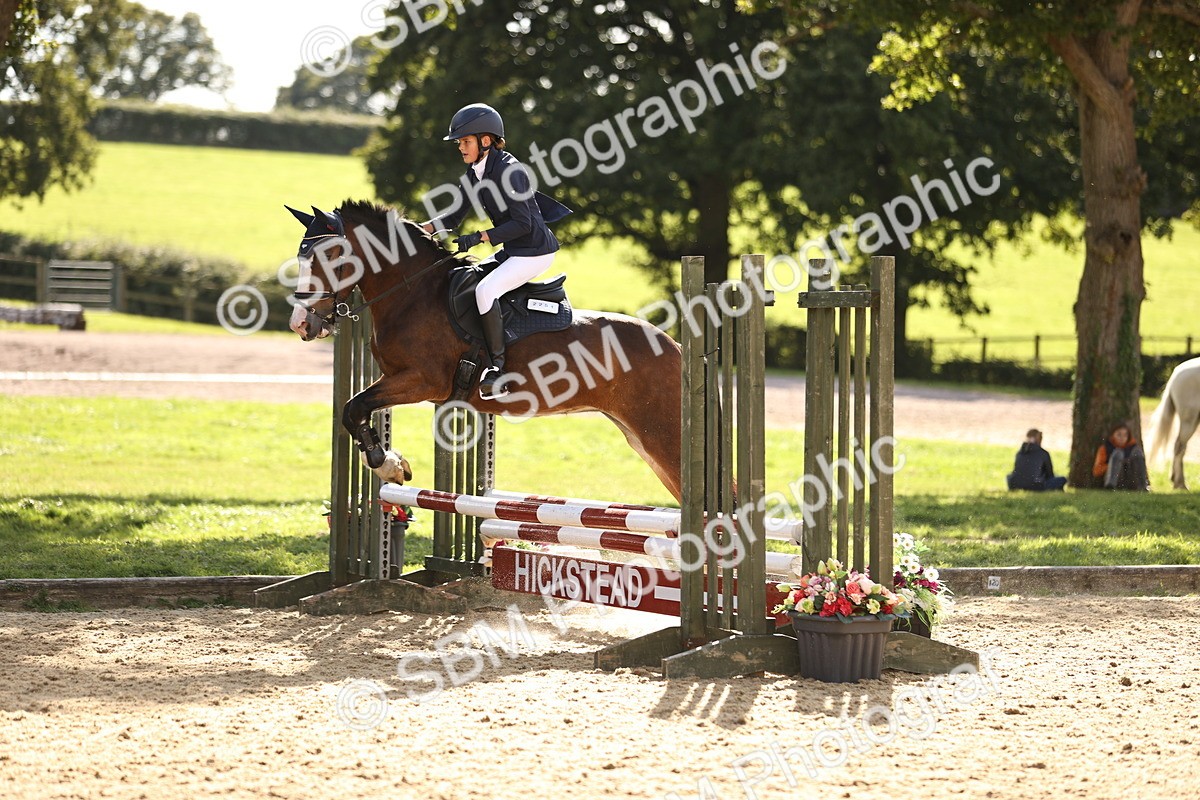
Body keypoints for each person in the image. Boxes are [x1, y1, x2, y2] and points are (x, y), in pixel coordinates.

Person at [422, 103, 571, 400]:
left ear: (485, 140)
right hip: (516, 249)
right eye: (460, 143)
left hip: (535, 251)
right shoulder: (475, 171)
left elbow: (523, 223)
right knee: (464, 279)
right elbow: (452, 217)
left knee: (486, 290)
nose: (461, 148)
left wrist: (480, 237)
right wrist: (417, 228)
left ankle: (497, 370)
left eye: (465, 141)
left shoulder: (510, 171)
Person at [1092, 423, 1150, 491]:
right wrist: (1112, 465)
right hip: (1116, 480)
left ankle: (1143, 486)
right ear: (1112, 435)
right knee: (1118, 453)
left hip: (1131, 480)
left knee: (1138, 453)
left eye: (1125, 435)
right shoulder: (1105, 449)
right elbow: (1096, 471)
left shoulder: (1133, 448)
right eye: (1119, 435)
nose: (1122, 438)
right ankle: (1110, 487)